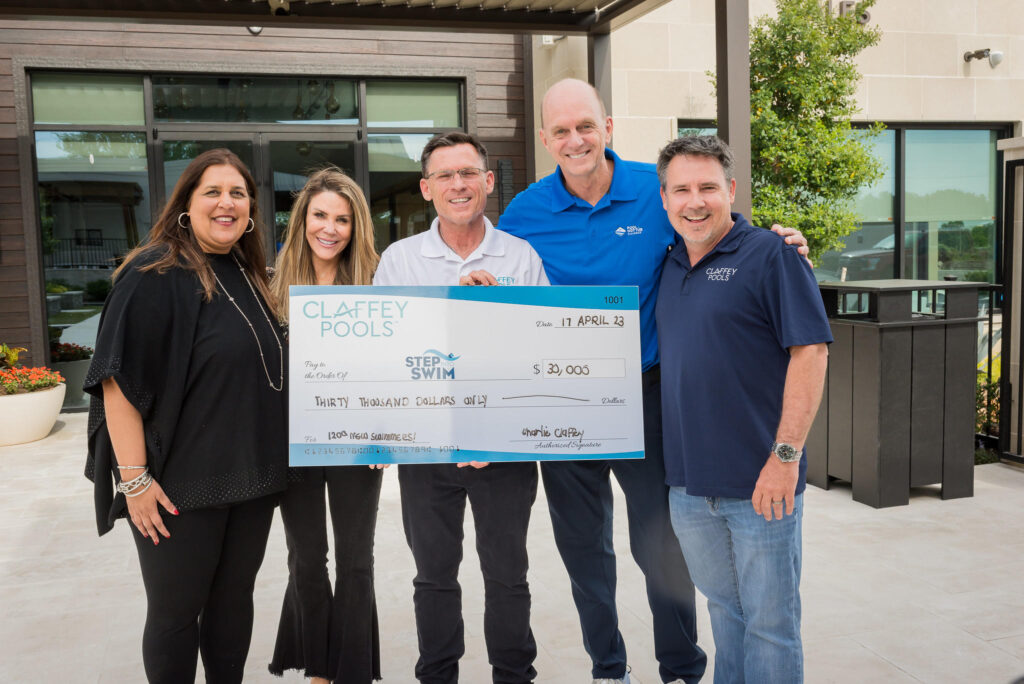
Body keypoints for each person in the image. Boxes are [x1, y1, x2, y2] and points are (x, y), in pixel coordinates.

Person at [497, 78, 809, 684]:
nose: (575, 139)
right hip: (562, 402)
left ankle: (681, 669)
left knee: (662, 543)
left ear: (608, 128)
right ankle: (608, 668)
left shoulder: (657, 189)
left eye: (586, 126)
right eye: (561, 130)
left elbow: (720, 234)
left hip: (646, 393)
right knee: (584, 548)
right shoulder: (524, 213)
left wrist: (782, 243)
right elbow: (498, 295)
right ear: (545, 140)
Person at [83, 148, 288, 683]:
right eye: (212, 192)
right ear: (186, 205)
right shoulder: (154, 272)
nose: (227, 203)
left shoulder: (246, 272)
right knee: (176, 616)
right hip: (179, 487)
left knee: (232, 605)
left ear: (251, 209)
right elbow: (116, 381)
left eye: (238, 193)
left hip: (252, 478)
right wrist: (134, 481)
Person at [373, 131, 548, 684]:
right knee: (433, 577)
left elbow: (542, 354)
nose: (458, 184)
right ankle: (437, 675)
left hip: (504, 453)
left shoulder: (521, 256)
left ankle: (514, 675)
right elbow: (388, 358)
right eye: (445, 175)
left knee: (508, 575)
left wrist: (498, 312)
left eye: (468, 172)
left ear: (488, 182)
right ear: (426, 188)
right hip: (427, 453)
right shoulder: (400, 261)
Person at [655, 136, 831, 683]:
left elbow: (811, 352)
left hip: (762, 486)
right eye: (681, 189)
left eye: (708, 187)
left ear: (731, 190)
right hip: (689, 489)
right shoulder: (668, 263)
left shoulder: (772, 256)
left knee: (772, 626)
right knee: (725, 614)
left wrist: (785, 458)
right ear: (664, 199)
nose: (695, 201)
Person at [267, 167, 384, 683]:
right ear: (302, 220)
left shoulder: (377, 284)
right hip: (295, 443)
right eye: (320, 215)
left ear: (356, 227)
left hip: (358, 442)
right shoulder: (271, 288)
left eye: (342, 219)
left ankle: (352, 670)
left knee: (356, 560)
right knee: (307, 559)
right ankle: (318, 668)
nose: (330, 228)